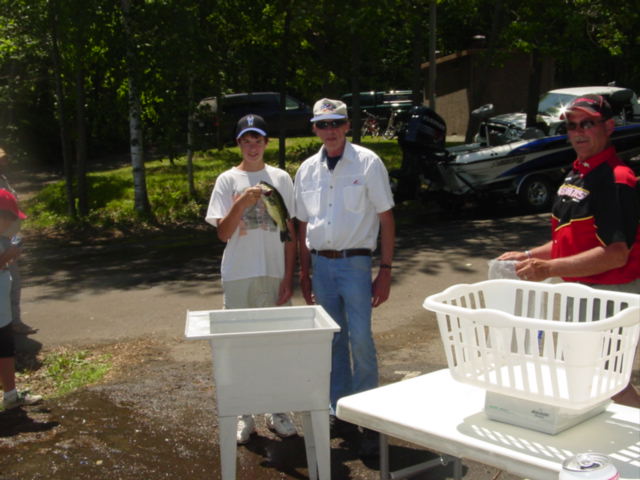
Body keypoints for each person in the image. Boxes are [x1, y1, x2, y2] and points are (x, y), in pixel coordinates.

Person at [498, 94, 640, 406]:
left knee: (608, 383)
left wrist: (549, 269)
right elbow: (569, 241)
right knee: (583, 378)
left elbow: (616, 253)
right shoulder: (578, 172)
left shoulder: (616, 179)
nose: (578, 132)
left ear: (609, 127)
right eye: (572, 125)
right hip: (583, 292)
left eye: (588, 123)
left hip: (612, 294)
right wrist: (531, 256)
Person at [294, 98, 395, 457]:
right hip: (321, 266)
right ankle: (339, 410)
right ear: (314, 129)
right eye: (323, 124)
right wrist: (304, 272)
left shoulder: (368, 162)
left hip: (355, 265)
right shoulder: (307, 170)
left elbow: (386, 219)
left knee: (361, 341)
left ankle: (368, 416)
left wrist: (385, 271)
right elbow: (302, 224)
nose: (330, 130)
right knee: (332, 341)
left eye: (336, 123)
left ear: (348, 125)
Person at [205, 114, 298, 444]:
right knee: (239, 348)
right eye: (246, 140)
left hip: (273, 272)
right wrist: (241, 203)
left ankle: (278, 410)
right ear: (239, 144)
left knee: (275, 345)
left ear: (266, 142)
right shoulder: (227, 180)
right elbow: (222, 233)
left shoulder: (281, 178)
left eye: (257, 139)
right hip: (238, 274)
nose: (252, 146)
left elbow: (289, 230)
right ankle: (243, 414)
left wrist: (288, 277)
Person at [0, 190, 42, 409]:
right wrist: (5, 258)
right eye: (10, 218)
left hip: (3, 313)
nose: (11, 223)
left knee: (6, 350)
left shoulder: (2, 238)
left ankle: (11, 396)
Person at [0, 148, 36, 336]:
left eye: (4, 158)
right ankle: (12, 323)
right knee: (10, 282)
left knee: (11, 282)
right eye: (2, 159)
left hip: (8, 236)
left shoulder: (3, 178)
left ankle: (12, 322)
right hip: (3, 239)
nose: (4, 162)